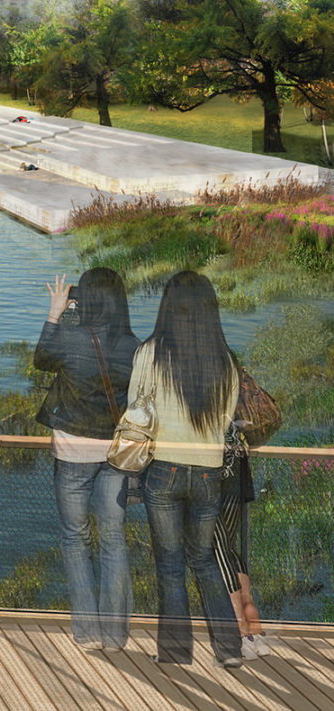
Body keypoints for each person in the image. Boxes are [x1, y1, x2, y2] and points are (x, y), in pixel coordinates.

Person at [134, 270, 244, 669]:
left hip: (162, 470)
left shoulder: (151, 353)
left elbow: (135, 411)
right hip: (208, 475)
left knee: (170, 565)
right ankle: (230, 650)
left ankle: (176, 653)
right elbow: (227, 418)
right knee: (204, 561)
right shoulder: (225, 361)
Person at [33, 268, 139, 653]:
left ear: (84, 301)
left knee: (75, 540)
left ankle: (87, 631)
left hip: (72, 454)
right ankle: (115, 635)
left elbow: (42, 358)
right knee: (114, 540)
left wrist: (57, 312)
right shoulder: (134, 347)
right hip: (115, 457)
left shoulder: (71, 338)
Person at [215, 431, 273, 659]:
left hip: (208, 469)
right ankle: (255, 628)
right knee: (226, 546)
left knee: (219, 548)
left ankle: (242, 632)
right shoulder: (231, 394)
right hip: (235, 461)